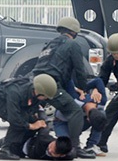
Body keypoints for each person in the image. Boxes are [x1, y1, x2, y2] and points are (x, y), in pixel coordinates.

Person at [31, 16, 92, 158]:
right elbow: (79, 70)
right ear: (75, 32)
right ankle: (75, 146)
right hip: (51, 85)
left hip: (35, 82)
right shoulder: (72, 45)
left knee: (33, 112)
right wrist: (83, 88)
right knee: (75, 111)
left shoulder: (50, 44)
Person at [0, 73, 59, 160]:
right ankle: (5, 150)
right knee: (21, 121)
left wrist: (37, 120)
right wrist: (31, 126)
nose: (46, 99)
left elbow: (33, 107)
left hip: (14, 103)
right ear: (38, 92)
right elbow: (14, 118)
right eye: (45, 96)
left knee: (31, 121)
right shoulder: (16, 92)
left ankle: (3, 142)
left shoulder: (34, 92)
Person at [54, 78, 107, 157]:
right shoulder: (74, 98)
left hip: (81, 121)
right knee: (65, 146)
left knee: (101, 117)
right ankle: (74, 141)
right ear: (88, 119)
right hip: (62, 121)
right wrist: (77, 89)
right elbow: (68, 80)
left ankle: (91, 145)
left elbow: (98, 81)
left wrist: (94, 89)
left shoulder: (100, 99)